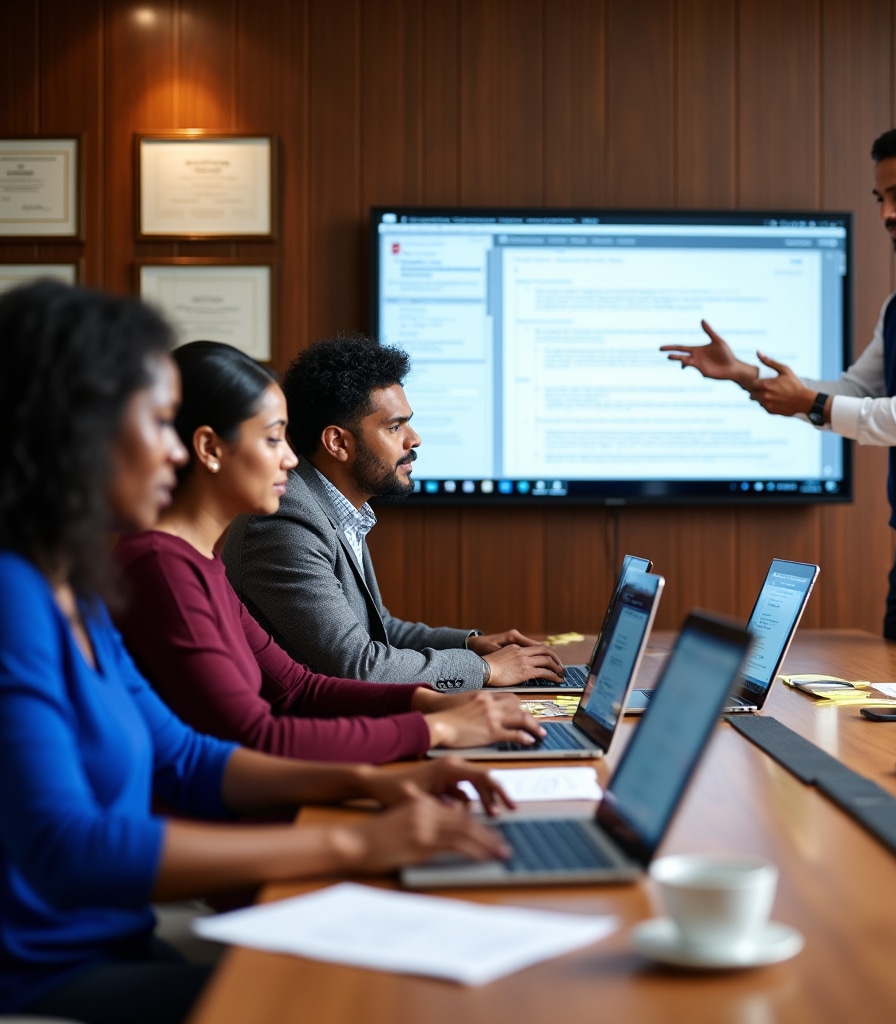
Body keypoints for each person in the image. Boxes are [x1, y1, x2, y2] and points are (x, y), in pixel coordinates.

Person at [0, 281, 511, 1024]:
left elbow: (188, 757)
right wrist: (354, 841)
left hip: (118, 943)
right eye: (158, 422)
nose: (176, 449)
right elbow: (69, 848)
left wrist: (382, 780)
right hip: (43, 976)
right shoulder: (17, 597)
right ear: (76, 431)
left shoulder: (73, 586)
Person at [662, 122, 896, 673]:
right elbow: (855, 390)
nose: (885, 213)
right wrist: (745, 376)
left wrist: (811, 402)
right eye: (881, 197)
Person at [114, 341, 545, 761]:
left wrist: (437, 697)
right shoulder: (195, 551)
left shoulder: (202, 561)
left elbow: (299, 686)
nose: (288, 458)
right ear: (209, 449)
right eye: (272, 439)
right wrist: (443, 718)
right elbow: (257, 733)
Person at [222, 334, 565, 689]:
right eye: (394, 426)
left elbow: (378, 628)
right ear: (338, 442)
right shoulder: (287, 520)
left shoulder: (331, 504)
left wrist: (469, 643)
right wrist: (485, 669)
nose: (413, 439)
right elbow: (359, 667)